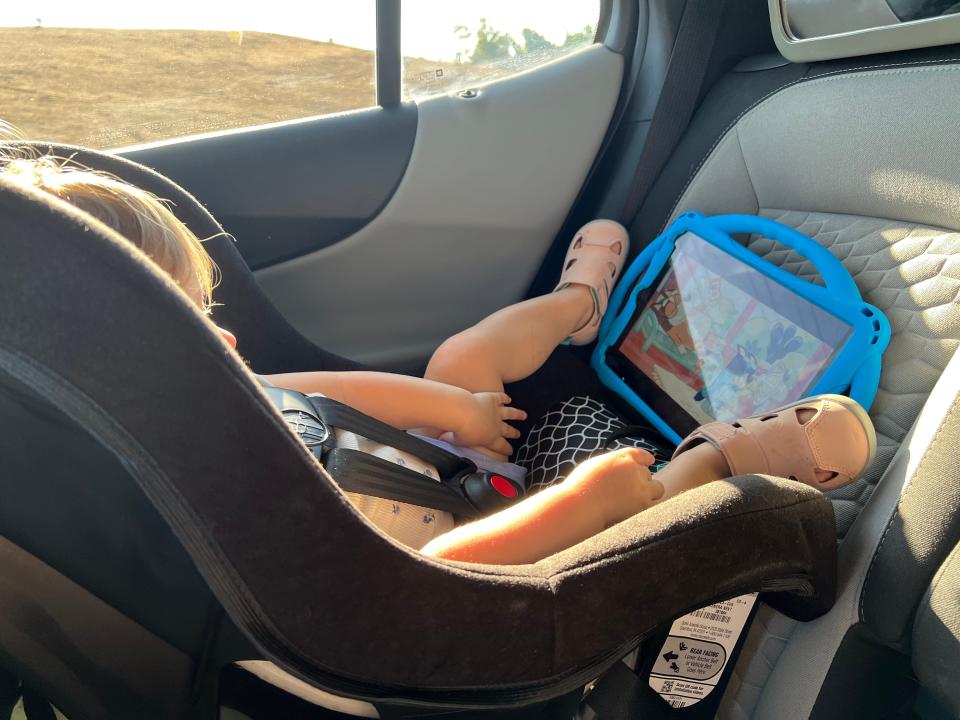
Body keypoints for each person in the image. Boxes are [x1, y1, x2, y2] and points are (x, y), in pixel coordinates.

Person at [0, 154, 877, 565]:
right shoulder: (217, 520)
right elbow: (432, 592)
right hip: (501, 548)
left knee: (460, 358)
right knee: (636, 499)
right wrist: (579, 505)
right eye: (187, 328)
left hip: (448, 469)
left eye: (204, 314)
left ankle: (581, 308)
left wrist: (453, 415)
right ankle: (717, 463)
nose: (224, 342)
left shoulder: (199, 402)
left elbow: (308, 389)